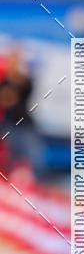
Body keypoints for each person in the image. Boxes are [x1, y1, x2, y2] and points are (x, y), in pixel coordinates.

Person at [0, 46, 43, 176]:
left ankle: (35, 184)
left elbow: (14, 97)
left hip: (24, 124)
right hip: (9, 124)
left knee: (32, 159)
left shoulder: (26, 81)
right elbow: (6, 99)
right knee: (10, 158)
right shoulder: (5, 81)